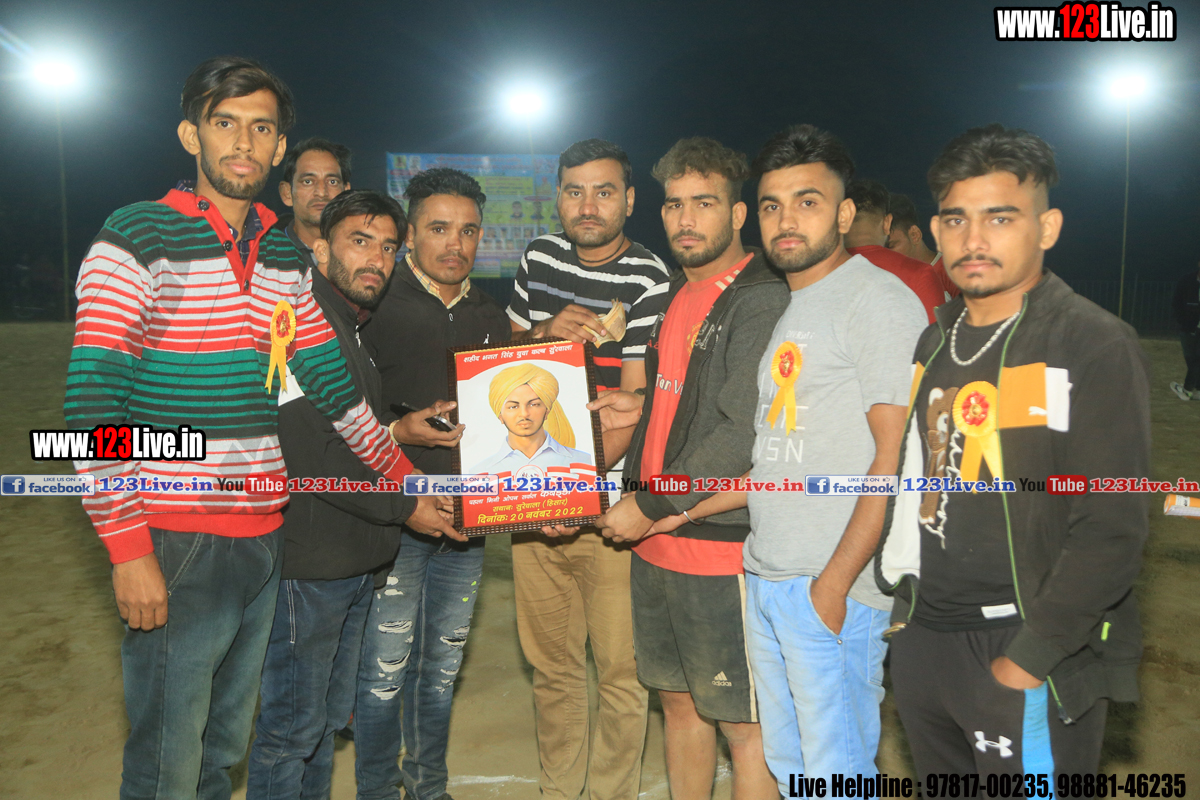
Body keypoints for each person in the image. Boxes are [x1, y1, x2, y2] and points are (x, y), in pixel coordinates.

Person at [63, 56, 417, 800]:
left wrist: (405, 479)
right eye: (225, 123)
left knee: (224, 752)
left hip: (262, 538)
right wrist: (128, 550)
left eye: (261, 128)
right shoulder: (136, 234)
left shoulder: (282, 251)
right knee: (167, 759)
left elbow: (334, 387)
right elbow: (91, 411)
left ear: (280, 147)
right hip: (175, 537)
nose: (243, 142)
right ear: (191, 135)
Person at [876, 123, 1150, 776]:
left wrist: (1031, 656)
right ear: (936, 230)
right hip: (925, 642)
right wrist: (908, 634)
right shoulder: (934, 342)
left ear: (1047, 227)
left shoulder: (1091, 343)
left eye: (1000, 218)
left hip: (1023, 647)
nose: (974, 240)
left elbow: (1112, 525)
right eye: (956, 220)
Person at [591, 137, 787, 800]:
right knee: (678, 706)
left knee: (744, 725)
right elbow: (685, 394)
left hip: (716, 547)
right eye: (675, 204)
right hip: (656, 544)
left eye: (704, 203)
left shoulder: (759, 299)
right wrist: (642, 403)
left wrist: (648, 505)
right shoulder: (678, 292)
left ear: (738, 214)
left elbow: (742, 430)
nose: (686, 219)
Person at [247, 190, 460, 799]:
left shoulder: (348, 324)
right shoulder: (297, 324)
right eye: (359, 242)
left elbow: (359, 439)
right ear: (319, 250)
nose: (376, 259)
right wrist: (406, 505)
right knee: (290, 732)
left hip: (352, 563)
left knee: (319, 727)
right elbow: (312, 452)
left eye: (388, 247)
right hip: (310, 569)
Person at [742, 125, 925, 786]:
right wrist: (674, 509)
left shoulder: (877, 301)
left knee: (835, 775)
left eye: (808, 201)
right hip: (768, 576)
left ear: (845, 214)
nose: (786, 219)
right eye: (771, 205)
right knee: (792, 769)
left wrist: (835, 585)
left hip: (830, 587)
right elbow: (780, 458)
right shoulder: (796, 305)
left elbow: (897, 457)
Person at [506, 138, 669, 800]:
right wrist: (545, 333)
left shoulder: (649, 277)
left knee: (621, 672)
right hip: (532, 492)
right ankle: (557, 790)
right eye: (575, 191)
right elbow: (504, 365)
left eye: (604, 192)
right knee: (552, 669)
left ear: (629, 200)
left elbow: (632, 403)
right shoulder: (538, 257)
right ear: (558, 198)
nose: (588, 205)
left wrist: (568, 494)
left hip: (607, 501)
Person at [356, 167, 512, 800]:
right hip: (394, 522)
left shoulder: (490, 317)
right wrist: (399, 447)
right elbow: (343, 418)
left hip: (467, 527)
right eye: (439, 228)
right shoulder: (372, 306)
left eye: (469, 230)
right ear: (411, 234)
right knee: (383, 672)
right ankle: (375, 791)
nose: (455, 243)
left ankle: (430, 788)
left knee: (442, 670)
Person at [844, 179, 946, 323]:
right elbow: (936, 335)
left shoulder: (818, 274)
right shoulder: (920, 275)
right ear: (887, 223)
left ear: (841, 220)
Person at [469, 364, 594, 475]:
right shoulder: (479, 474)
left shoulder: (584, 462)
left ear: (547, 411)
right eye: (513, 407)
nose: (524, 414)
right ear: (500, 416)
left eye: (534, 404)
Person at [278, 137, 352, 267]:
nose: (322, 193)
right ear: (287, 193)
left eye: (332, 182)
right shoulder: (262, 256)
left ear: (346, 193)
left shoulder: (364, 255)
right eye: (308, 181)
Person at [888, 192, 958, 301]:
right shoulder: (886, 279)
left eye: (891, 246)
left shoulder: (951, 271)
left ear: (914, 235)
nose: (884, 253)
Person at [1170, 261, 1200, 400]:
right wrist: (1182, 320)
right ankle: (1197, 389)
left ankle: (1187, 390)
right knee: (1191, 359)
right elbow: (1176, 302)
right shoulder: (1186, 280)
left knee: (1197, 360)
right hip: (1188, 327)